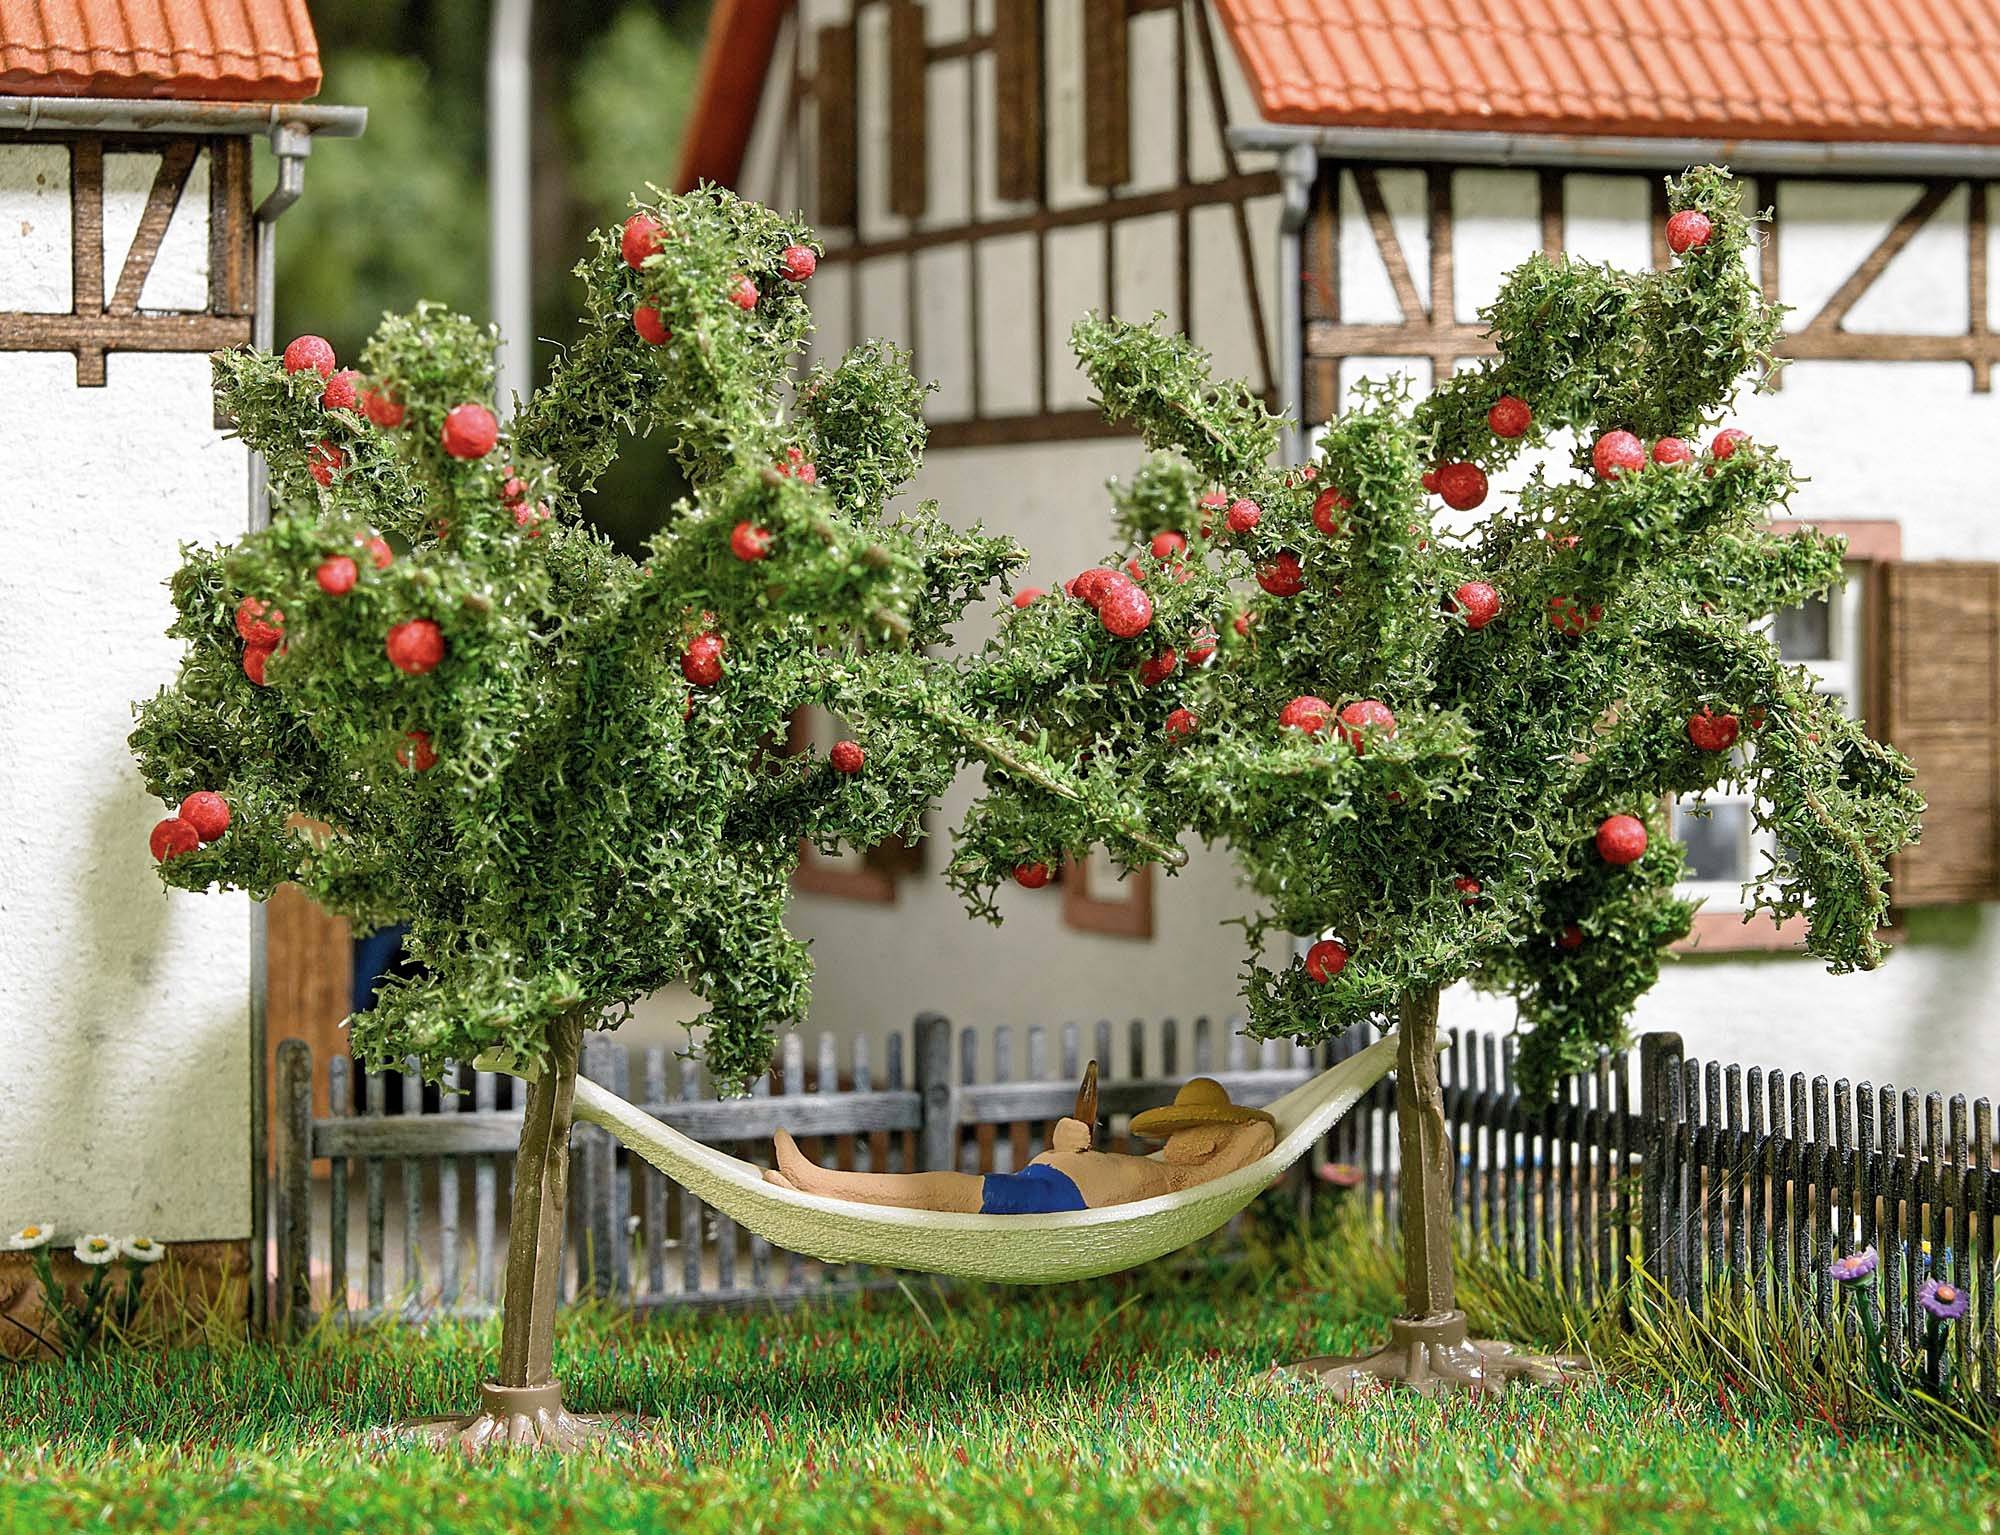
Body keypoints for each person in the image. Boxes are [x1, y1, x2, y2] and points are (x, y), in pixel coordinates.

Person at [765, 1071, 1277, 1214]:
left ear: (1216, 1142)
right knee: (945, 1190)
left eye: (1197, 1130)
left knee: (942, 1191)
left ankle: (819, 1183)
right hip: (1051, 1177)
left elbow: (1261, 1134)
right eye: (1180, 1128)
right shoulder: (1166, 1161)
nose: (1184, 1139)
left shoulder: (1201, 1176)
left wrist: (1230, 1128)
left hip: (1062, 1200)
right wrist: (1067, 1146)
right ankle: (815, 1188)